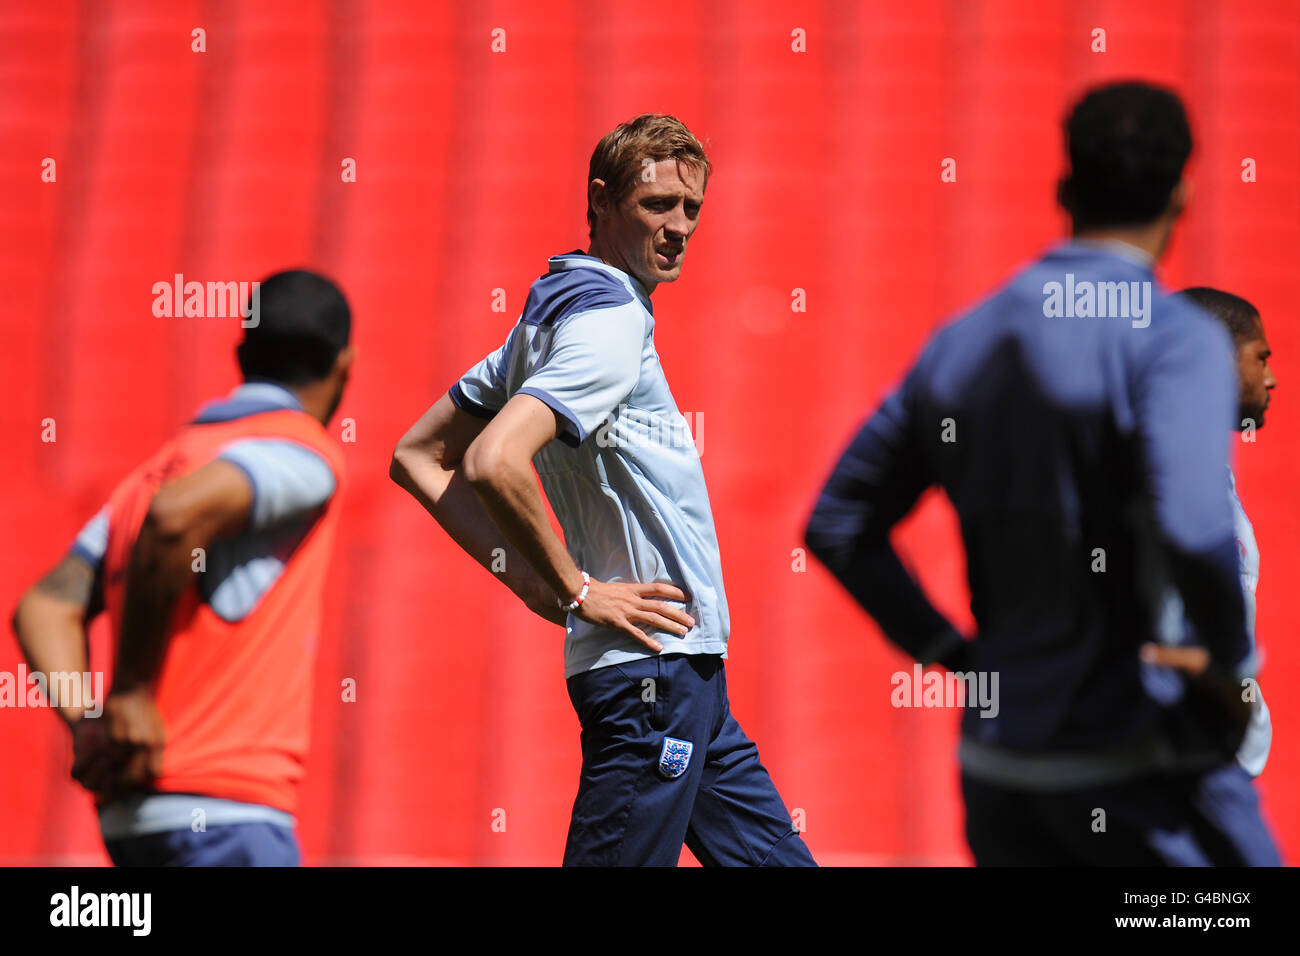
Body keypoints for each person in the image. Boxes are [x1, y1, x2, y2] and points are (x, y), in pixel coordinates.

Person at [804, 82, 1279, 865]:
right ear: (1184, 192)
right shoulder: (1173, 339)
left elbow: (838, 523)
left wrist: (953, 655)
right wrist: (1232, 672)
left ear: (1065, 189)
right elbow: (1195, 525)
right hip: (1138, 760)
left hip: (1003, 769)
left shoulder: (964, 342)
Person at [391, 113, 815, 867]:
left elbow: (418, 457)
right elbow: (491, 459)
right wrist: (574, 590)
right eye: (657, 206)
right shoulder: (611, 320)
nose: (680, 227)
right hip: (649, 678)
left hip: (685, 678)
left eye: (692, 209)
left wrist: (535, 586)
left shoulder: (540, 327)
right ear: (601, 201)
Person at [12, 269, 354, 866]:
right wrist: (131, 694)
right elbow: (176, 519)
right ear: (344, 366)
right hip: (229, 812)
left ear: (241, 353)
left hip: (134, 818)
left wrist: (87, 722)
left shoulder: (153, 475)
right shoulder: (302, 452)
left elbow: (45, 605)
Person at [1164, 287, 1277, 781]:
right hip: (1181, 769)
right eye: (1261, 357)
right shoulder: (1164, 471)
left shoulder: (1208, 469)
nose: (1271, 379)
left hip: (1215, 764)